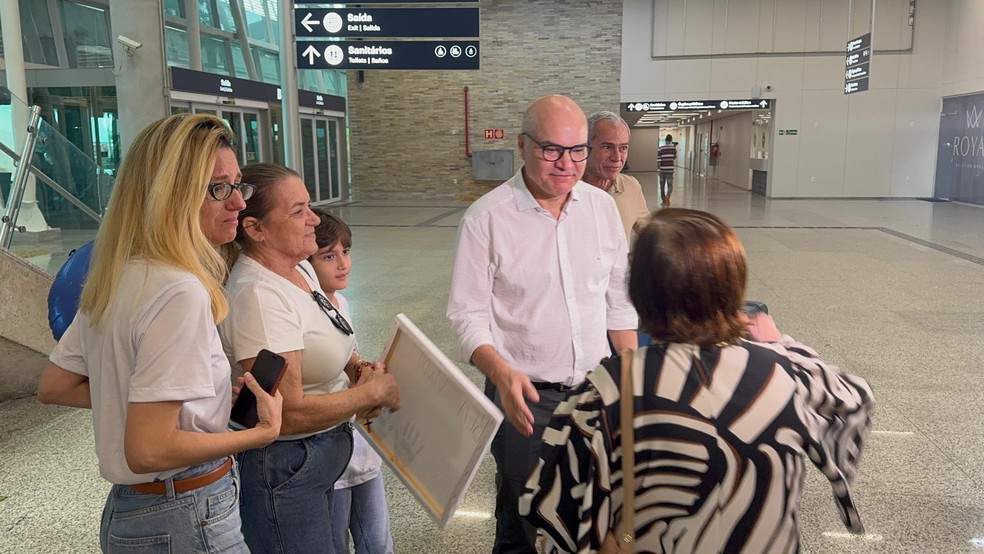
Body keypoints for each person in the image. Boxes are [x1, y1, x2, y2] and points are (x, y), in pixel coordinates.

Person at [520, 208, 874, 553]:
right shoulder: (788, 373)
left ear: (638, 294)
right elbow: (856, 399)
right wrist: (780, 344)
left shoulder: (604, 392)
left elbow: (558, 513)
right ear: (733, 289)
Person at [36, 113, 284, 552]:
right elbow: (148, 450)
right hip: (186, 512)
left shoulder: (119, 273)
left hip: (133, 512)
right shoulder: (179, 291)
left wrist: (181, 400)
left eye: (237, 184)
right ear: (171, 196)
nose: (239, 203)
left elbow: (56, 385)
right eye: (217, 189)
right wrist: (258, 435)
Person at [446, 95, 638, 554]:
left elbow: (618, 302)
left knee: (590, 510)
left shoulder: (600, 209)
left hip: (596, 392)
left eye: (577, 151)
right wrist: (499, 371)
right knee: (523, 521)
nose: (566, 164)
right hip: (525, 397)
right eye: (551, 149)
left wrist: (633, 376)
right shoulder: (486, 219)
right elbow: (466, 317)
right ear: (522, 145)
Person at [219, 163, 400, 553]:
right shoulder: (259, 296)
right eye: (298, 211)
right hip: (286, 468)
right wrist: (370, 393)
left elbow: (325, 329)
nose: (314, 220)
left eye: (310, 206)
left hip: (319, 459)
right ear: (255, 229)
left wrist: (355, 367)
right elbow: (289, 412)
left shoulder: (299, 267)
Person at [308, 208, 395, 554]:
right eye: (328, 256)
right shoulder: (306, 308)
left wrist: (364, 371)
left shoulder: (340, 302)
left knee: (377, 540)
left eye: (346, 252)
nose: (342, 263)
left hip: (360, 445)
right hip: (330, 448)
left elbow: (348, 358)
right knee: (334, 541)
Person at [583, 111, 649, 244]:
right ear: (585, 147)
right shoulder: (566, 190)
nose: (617, 157)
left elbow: (650, 234)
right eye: (607, 147)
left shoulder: (631, 186)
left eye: (623, 148)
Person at [658, 134, 677, 207]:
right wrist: (674, 149)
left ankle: (663, 201)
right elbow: (674, 157)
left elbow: (659, 160)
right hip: (670, 170)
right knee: (670, 186)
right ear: (671, 140)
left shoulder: (661, 148)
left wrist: (658, 169)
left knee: (662, 186)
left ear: (665, 139)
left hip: (662, 170)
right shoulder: (673, 149)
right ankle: (668, 196)